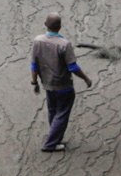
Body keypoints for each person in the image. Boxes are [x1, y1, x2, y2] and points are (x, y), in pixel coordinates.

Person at [29, 12, 93, 152]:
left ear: (45, 24)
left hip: (48, 84)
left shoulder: (38, 41)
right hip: (63, 86)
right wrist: (86, 78)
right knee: (62, 113)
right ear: (60, 27)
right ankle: (50, 144)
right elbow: (73, 67)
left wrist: (35, 83)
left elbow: (34, 65)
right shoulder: (64, 44)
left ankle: (55, 137)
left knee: (53, 111)